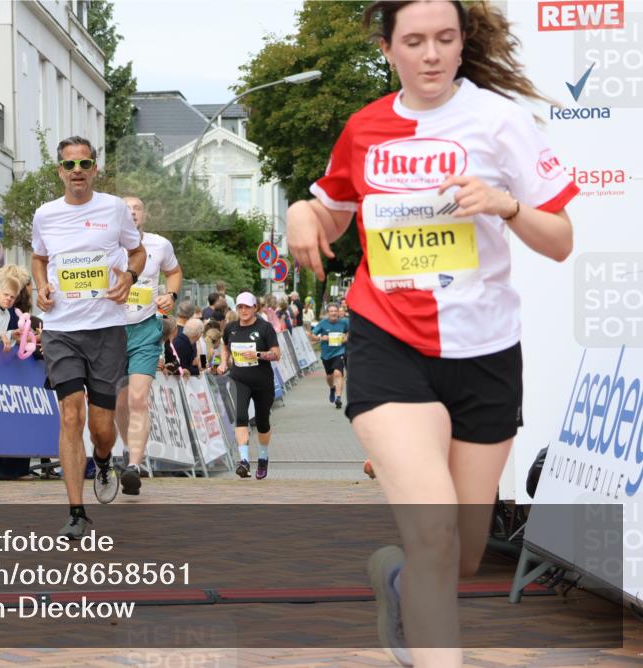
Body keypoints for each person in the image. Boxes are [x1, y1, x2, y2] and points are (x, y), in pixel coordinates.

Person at [285, 2, 577, 665]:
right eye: (413, 41)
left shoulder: (502, 122)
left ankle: (395, 577)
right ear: (387, 49)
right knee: (436, 535)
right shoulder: (365, 129)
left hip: (486, 351)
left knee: (463, 555)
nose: (431, 54)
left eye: (445, 39)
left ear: (462, 41)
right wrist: (303, 212)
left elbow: (560, 241)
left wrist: (506, 205)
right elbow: (330, 213)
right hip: (388, 340)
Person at [31, 136, 145, 538]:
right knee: (70, 414)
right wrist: (41, 286)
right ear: (59, 171)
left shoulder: (114, 209)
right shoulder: (45, 214)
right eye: (69, 165)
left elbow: (138, 252)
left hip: (106, 328)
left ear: (95, 168)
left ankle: (103, 459)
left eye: (84, 164)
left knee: (100, 426)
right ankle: (76, 511)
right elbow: (39, 257)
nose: (77, 171)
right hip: (62, 327)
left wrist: (129, 277)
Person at [218, 291, 280, 480]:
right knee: (241, 416)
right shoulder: (231, 328)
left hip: (262, 382)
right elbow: (225, 346)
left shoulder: (265, 328)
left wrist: (259, 355)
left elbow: (277, 354)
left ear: (254, 308)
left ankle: (262, 457)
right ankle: (244, 461)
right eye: (240, 307)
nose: (243, 310)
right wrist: (223, 363)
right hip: (239, 380)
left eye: (247, 307)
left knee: (262, 422)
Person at [311, 303, 350, 409]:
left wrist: (346, 338)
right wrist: (321, 338)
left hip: (339, 351)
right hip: (326, 354)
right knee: (329, 376)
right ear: (328, 313)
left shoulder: (344, 322)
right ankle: (332, 388)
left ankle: (338, 398)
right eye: (331, 311)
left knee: (338, 373)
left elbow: (350, 332)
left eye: (335, 311)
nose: (333, 313)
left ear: (338, 312)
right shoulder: (323, 323)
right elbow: (312, 335)